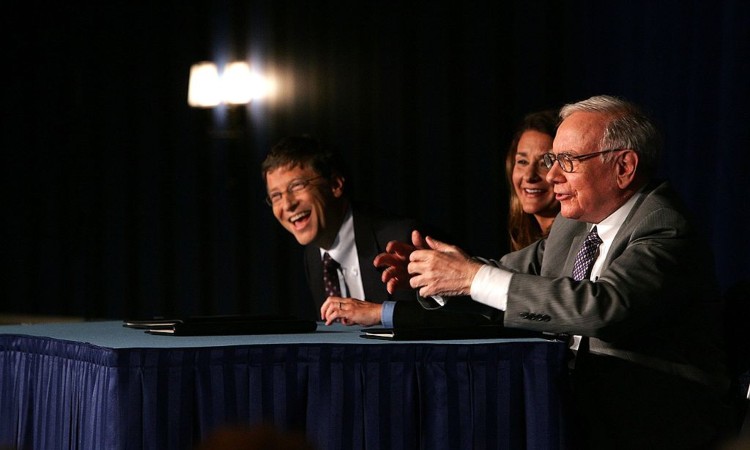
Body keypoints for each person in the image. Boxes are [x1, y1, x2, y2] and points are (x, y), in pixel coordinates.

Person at [379, 95, 732, 449]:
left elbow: (602, 308)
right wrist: (437, 272)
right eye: (554, 160)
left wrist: (470, 277)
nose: (551, 175)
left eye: (568, 160)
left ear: (624, 167)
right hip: (575, 403)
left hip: (654, 413)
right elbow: (507, 276)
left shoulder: (665, 226)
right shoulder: (573, 225)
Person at [320, 109, 561, 327]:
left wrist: (382, 312)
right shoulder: (527, 243)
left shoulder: (574, 236)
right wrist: (437, 276)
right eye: (522, 161)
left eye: (545, 162)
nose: (529, 175)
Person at [261, 135, 421, 319]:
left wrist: (381, 313)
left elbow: (447, 316)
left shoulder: (402, 238)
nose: (287, 205)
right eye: (276, 196)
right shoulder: (313, 256)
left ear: (335, 185)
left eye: (297, 186)